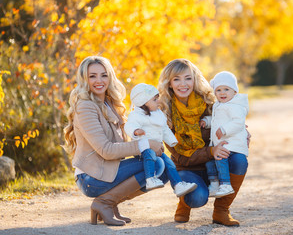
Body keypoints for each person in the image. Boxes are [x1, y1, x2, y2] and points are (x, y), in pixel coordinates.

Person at [63, 56, 167, 226]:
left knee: (163, 168)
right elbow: (107, 150)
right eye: (92, 76)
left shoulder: (110, 103)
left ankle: (110, 203)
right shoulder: (85, 106)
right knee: (156, 165)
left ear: (110, 77)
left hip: (109, 170)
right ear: (84, 79)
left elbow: (126, 141)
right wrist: (146, 145)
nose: (99, 80)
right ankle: (104, 203)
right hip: (91, 177)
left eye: (104, 75)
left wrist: (153, 137)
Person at [158, 58, 250, 227]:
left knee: (239, 160)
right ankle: (184, 204)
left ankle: (221, 211)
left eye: (187, 78)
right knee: (198, 198)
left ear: (194, 79)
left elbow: (230, 122)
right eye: (176, 79)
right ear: (169, 84)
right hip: (187, 169)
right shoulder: (164, 112)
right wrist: (211, 151)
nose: (183, 84)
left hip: (214, 164)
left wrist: (240, 135)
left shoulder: (209, 103)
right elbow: (180, 156)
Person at [124, 83, 197, 196]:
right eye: (154, 99)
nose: (158, 101)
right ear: (143, 102)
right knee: (149, 155)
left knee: (169, 163)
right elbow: (129, 126)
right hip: (142, 149)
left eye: (157, 98)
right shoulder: (136, 115)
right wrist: (135, 131)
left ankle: (178, 185)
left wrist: (172, 141)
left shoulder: (158, 115)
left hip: (157, 148)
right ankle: (150, 179)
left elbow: (165, 129)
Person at [200, 71, 249, 198]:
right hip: (222, 143)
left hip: (232, 143)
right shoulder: (219, 105)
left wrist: (225, 129)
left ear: (235, 92)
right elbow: (217, 119)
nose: (222, 93)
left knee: (221, 158)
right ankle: (215, 184)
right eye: (219, 90)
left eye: (226, 89)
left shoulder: (236, 106)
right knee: (210, 162)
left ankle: (225, 184)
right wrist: (207, 121)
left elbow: (238, 122)